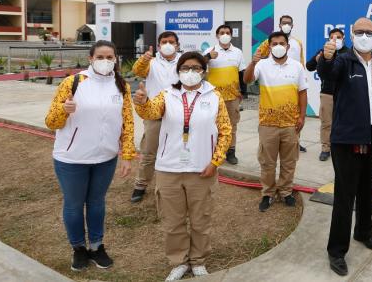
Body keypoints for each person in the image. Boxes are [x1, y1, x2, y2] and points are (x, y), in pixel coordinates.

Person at [133, 51, 232, 281]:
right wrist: (143, 102)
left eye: (196, 68)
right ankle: (179, 261)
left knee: (200, 220)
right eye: (185, 68)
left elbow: (225, 131)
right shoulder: (167, 94)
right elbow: (151, 112)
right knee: (173, 221)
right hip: (169, 169)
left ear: (203, 71)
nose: (190, 72)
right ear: (178, 71)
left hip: (202, 170)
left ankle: (198, 261)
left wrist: (215, 162)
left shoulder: (214, 96)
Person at [45, 40, 135, 272]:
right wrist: (63, 110)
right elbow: (51, 122)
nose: (105, 61)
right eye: (100, 57)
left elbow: (127, 122)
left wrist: (127, 155)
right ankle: (78, 248)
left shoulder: (121, 86)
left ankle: (96, 246)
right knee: (74, 205)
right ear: (90, 59)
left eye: (110, 57)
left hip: (105, 158)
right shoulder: (73, 82)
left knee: (96, 203)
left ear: (116, 59)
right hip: (72, 158)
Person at [317, 17, 372, 276]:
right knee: (345, 196)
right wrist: (326, 59)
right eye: (359, 32)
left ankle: (363, 232)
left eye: (368, 32)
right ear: (351, 34)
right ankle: (337, 250)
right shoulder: (343, 60)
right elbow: (327, 75)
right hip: (347, 140)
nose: (364, 36)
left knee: (367, 191)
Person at [244, 31, 308, 211]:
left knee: (289, 162)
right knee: (267, 162)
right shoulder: (262, 64)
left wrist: (302, 116)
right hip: (268, 124)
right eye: (274, 43)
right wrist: (253, 62)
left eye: (282, 43)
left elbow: (302, 93)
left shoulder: (297, 66)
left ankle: (286, 192)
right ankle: (268, 193)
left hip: (291, 124)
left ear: (288, 46)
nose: (278, 46)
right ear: (269, 46)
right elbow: (247, 80)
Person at [130, 31, 181, 203]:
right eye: (164, 42)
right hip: (154, 115)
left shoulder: (183, 61)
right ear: (159, 46)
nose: (168, 45)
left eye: (171, 42)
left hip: (178, 115)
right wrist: (144, 59)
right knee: (149, 153)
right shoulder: (151, 62)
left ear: (177, 45)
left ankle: (173, 185)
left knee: (177, 151)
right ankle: (141, 184)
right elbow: (137, 70)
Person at [257, 15, 307, 152]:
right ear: (279, 25)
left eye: (289, 23)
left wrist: (303, 77)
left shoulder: (297, 43)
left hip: (293, 80)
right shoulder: (268, 41)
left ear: (292, 25)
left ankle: (296, 139)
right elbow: (259, 55)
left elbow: (301, 60)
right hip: (275, 81)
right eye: (284, 23)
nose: (286, 25)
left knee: (294, 113)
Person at [203, 24, 246, 165]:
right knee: (213, 125)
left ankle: (230, 152)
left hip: (232, 97)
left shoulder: (237, 52)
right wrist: (208, 57)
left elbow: (242, 73)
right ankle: (214, 151)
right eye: (222, 32)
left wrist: (243, 92)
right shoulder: (210, 51)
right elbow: (199, 66)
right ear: (217, 35)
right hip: (213, 97)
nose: (225, 35)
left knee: (232, 125)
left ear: (231, 35)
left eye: (227, 32)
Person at [305, 27, 349, 162]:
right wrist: (318, 59)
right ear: (328, 39)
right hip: (327, 94)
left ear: (343, 39)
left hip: (345, 94)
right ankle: (325, 148)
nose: (335, 40)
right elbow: (309, 66)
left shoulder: (349, 53)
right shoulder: (323, 51)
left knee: (345, 123)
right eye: (332, 37)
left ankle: (342, 148)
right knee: (326, 123)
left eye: (338, 37)